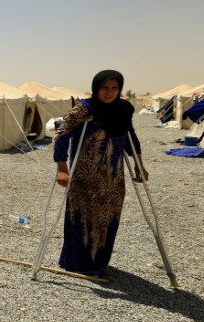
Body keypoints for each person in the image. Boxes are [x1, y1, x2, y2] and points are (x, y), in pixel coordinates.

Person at [53, 70, 147, 279]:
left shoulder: (123, 109)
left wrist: (139, 165)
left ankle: (100, 263)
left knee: (107, 219)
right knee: (82, 217)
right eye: (105, 87)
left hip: (113, 179)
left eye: (114, 88)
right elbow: (62, 133)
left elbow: (130, 137)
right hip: (85, 176)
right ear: (97, 88)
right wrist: (61, 168)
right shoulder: (84, 107)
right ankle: (75, 262)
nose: (109, 92)